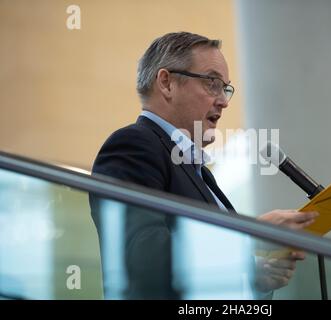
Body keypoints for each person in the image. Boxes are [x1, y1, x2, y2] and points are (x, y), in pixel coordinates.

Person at [90, 32, 318, 299]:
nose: (224, 101)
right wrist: (251, 235)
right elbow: (142, 258)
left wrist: (254, 277)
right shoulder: (132, 145)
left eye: (226, 88)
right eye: (212, 83)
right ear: (166, 83)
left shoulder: (201, 174)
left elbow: (196, 272)